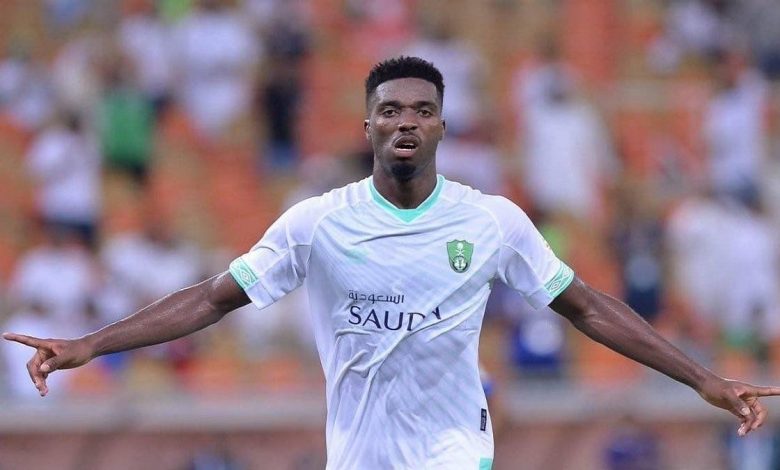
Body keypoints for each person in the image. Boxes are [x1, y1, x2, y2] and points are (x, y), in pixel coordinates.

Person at [4, 56, 780, 470]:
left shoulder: (491, 220)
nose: (406, 122)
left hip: (454, 450)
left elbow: (586, 306)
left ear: (441, 126)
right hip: (359, 455)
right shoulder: (316, 223)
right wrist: (89, 344)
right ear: (367, 125)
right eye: (390, 110)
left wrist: (703, 379)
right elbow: (212, 299)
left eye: (421, 110)